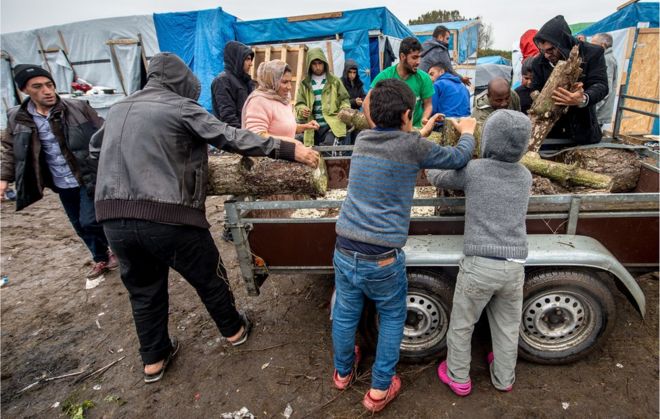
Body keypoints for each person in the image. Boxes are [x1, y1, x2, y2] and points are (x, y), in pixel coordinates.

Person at [89, 53, 319, 384]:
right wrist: (287, 150)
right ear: (181, 81)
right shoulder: (180, 106)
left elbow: (95, 151)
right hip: (167, 215)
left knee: (143, 290)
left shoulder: (120, 108)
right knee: (209, 276)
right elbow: (231, 136)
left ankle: (153, 359)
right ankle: (235, 330)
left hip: (113, 219)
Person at [332, 78, 475, 413]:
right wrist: (467, 130)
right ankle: (380, 389)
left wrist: (418, 128)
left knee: (345, 312)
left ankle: (341, 373)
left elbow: (398, 135)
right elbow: (457, 158)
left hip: (344, 247)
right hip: (382, 256)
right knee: (393, 315)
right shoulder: (412, 147)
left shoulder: (364, 139)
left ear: (372, 114)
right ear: (408, 114)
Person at [426, 109, 533, 397]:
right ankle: (504, 378)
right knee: (508, 327)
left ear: (488, 140)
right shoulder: (525, 176)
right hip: (514, 266)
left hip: (479, 265)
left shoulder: (475, 170)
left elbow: (436, 175)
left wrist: (457, 141)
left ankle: (458, 377)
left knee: (462, 325)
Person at [0, 64, 117, 282]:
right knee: (78, 224)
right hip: (59, 181)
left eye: (49, 85)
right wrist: (4, 178)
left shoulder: (78, 107)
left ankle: (119, 249)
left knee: (90, 220)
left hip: (86, 175)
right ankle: (101, 256)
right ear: (25, 90)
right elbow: (10, 148)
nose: (47, 90)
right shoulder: (18, 117)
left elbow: (105, 133)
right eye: (38, 86)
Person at [531, 15, 608, 144]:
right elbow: (535, 87)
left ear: (563, 43)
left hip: (582, 127)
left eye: (551, 50)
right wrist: (539, 99)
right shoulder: (538, 62)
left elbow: (601, 85)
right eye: (542, 50)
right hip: (549, 130)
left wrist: (582, 98)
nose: (547, 55)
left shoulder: (592, 53)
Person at [364, 37, 434, 128]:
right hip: (391, 131)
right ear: (402, 57)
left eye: (419, 57)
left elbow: (428, 104)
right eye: (414, 57)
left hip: (415, 130)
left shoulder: (424, 78)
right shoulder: (385, 76)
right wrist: (374, 128)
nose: (418, 62)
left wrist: (424, 119)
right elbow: (366, 103)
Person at [242, 60, 319, 138]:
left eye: (290, 82)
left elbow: (283, 128)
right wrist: (289, 144)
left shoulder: (283, 100)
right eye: (284, 82)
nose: (289, 87)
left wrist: (305, 126)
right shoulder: (259, 102)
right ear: (271, 81)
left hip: (285, 150)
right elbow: (257, 136)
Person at [295, 48, 351, 147]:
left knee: (328, 148)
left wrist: (344, 109)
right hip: (312, 126)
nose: (317, 67)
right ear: (309, 65)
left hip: (332, 124)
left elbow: (344, 99)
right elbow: (299, 103)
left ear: (324, 63)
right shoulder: (305, 84)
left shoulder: (334, 81)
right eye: (314, 64)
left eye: (320, 63)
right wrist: (302, 109)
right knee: (312, 151)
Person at [211, 41, 255, 128]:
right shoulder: (223, 81)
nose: (251, 64)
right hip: (232, 138)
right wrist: (244, 138)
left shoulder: (245, 81)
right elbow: (228, 117)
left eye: (251, 59)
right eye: (247, 59)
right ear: (236, 59)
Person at [590, 33, 618, 127]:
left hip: (598, 113)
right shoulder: (604, 58)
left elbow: (606, 88)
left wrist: (593, 109)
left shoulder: (606, 60)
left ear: (602, 45)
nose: (590, 46)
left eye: (593, 44)